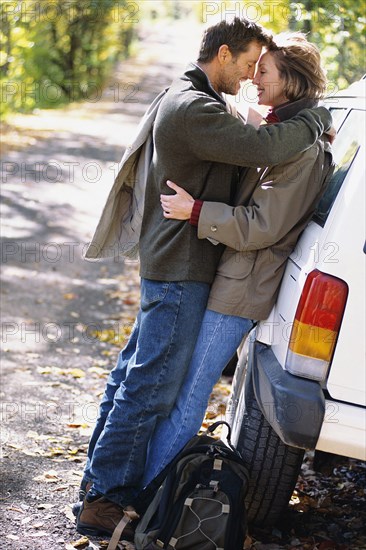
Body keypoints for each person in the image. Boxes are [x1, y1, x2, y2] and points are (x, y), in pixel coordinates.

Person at [76, 18, 333, 543]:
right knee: (151, 387)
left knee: (135, 377)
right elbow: (262, 151)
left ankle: (99, 489)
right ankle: (106, 499)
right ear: (222, 54)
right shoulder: (193, 107)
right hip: (180, 270)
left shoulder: (196, 98)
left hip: (182, 268)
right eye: (247, 65)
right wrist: (313, 121)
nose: (249, 78)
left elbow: (257, 148)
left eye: (262, 70)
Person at [143, 32, 333, 487]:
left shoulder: (303, 149)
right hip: (230, 277)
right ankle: (146, 486)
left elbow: (262, 225)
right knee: (179, 390)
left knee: (189, 394)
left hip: (242, 287)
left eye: (263, 72)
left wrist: (197, 212)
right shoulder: (285, 133)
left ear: (290, 80)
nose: (254, 81)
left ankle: (148, 498)